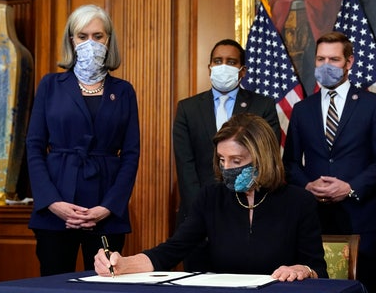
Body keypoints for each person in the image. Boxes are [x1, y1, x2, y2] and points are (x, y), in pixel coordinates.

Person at [96, 113, 327, 280]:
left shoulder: (299, 202)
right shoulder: (211, 197)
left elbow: (317, 268)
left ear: (262, 158)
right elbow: (172, 250)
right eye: (221, 160)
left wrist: (302, 270)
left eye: (236, 161)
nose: (227, 168)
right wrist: (123, 264)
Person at [27, 4, 140, 276]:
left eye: (98, 36)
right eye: (82, 36)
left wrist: (108, 207)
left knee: (106, 282)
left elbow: (131, 154)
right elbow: (33, 147)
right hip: (56, 207)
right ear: (71, 40)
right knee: (54, 282)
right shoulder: (50, 85)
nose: (91, 43)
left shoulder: (123, 91)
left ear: (109, 40)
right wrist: (53, 203)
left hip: (105, 208)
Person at [282, 31, 376, 293]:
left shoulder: (373, 105)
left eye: (333, 59)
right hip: (312, 217)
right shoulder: (303, 109)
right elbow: (288, 163)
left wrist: (350, 187)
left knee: (363, 288)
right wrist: (308, 185)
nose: (326, 66)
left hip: (360, 218)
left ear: (349, 62)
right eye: (320, 59)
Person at [173, 39, 279, 236]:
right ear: (210, 67)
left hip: (250, 209)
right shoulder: (188, 108)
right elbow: (185, 166)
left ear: (243, 70)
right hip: (199, 211)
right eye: (218, 60)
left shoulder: (263, 106)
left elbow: (267, 160)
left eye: (231, 62)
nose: (223, 66)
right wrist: (202, 208)